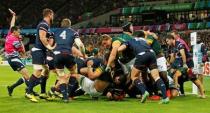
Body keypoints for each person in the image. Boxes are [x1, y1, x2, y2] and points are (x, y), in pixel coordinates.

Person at [118, 37, 169, 104]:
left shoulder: (128, 41)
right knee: (156, 77)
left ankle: (144, 91)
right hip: (152, 54)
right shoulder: (142, 39)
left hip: (141, 55)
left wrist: (120, 52)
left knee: (133, 76)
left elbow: (119, 49)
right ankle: (165, 98)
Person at [25, 8, 56, 102]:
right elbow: (42, 38)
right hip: (38, 50)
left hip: (42, 51)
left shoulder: (46, 25)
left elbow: (45, 38)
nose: (53, 16)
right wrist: (49, 47)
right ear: (50, 14)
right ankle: (29, 92)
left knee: (46, 71)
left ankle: (42, 93)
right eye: (53, 14)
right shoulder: (43, 24)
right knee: (38, 71)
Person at [52, 18, 85, 102]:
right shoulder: (73, 32)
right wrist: (83, 55)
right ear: (70, 25)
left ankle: (65, 97)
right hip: (68, 54)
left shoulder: (55, 32)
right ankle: (69, 93)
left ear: (61, 25)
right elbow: (80, 45)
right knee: (74, 73)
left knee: (61, 76)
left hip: (57, 55)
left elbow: (50, 43)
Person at [5, 9, 30, 96]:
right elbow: (22, 51)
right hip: (14, 58)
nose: (19, 32)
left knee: (25, 76)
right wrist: (20, 40)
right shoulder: (15, 40)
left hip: (12, 59)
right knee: (27, 75)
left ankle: (11, 87)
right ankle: (29, 92)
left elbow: (12, 25)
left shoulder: (9, 35)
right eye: (18, 31)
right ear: (14, 32)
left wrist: (14, 16)